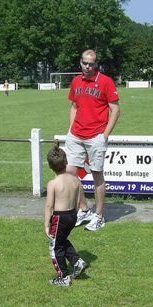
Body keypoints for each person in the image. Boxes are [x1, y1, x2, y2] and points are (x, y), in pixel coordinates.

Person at [65, 49, 120, 232]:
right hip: (76, 135)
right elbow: (74, 106)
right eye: (85, 63)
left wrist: (104, 135)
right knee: (71, 173)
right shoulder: (75, 81)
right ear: (80, 62)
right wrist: (71, 129)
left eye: (91, 64)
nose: (88, 67)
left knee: (97, 175)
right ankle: (84, 209)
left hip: (96, 136)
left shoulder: (105, 81)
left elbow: (115, 110)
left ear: (96, 64)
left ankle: (99, 216)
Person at [44, 142, 88, 287]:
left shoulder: (53, 183)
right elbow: (78, 199)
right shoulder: (75, 180)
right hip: (72, 215)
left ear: (50, 166)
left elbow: (49, 205)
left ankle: (63, 276)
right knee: (61, 241)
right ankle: (77, 261)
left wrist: (46, 225)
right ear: (66, 162)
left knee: (55, 246)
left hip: (59, 217)